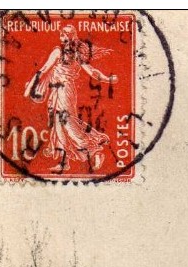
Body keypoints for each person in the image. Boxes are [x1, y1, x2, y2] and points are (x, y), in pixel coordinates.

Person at [24, 26, 120, 173]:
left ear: (68, 37)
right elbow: (92, 72)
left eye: (63, 36)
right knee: (58, 126)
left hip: (65, 91)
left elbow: (43, 70)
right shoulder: (68, 53)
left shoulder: (69, 53)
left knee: (67, 122)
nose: (61, 39)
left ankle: (93, 150)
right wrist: (107, 79)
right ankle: (64, 163)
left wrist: (108, 79)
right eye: (61, 36)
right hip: (59, 91)